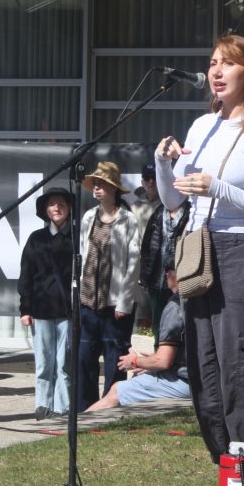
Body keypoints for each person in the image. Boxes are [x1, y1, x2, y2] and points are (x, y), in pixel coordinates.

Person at [155, 34, 244, 486]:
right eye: (213, 62)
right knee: (205, 371)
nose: (216, 71)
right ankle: (227, 482)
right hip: (199, 250)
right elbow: (174, 200)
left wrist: (219, 188)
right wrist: (163, 165)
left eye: (228, 64)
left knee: (241, 368)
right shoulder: (202, 125)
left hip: (243, 251)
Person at [83, 266, 191, 410]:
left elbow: (163, 361)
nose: (166, 275)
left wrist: (134, 361)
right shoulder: (196, 301)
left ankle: (81, 424)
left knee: (116, 391)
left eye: (168, 270)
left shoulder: (175, 307)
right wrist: (148, 362)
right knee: (138, 377)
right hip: (198, 378)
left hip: (183, 382)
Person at [78, 161, 140, 410]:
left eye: (102, 184)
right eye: (95, 184)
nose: (96, 188)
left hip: (115, 305)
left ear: (114, 188)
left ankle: (109, 410)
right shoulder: (88, 217)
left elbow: (133, 264)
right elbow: (83, 255)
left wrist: (124, 302)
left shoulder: (127, 220)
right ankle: (84, 410)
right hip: (87, 301)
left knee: (115, 360)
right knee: (84, 358)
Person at [18, 186, 73, 419]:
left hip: (68, 310)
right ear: (45, 210)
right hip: (41, 310)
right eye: (52, 204)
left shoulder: (76, 238)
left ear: (69, 208)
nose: (57, 208)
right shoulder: (36, 239)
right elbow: (26, 275)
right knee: (43, 362)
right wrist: (25, 308)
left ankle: (63, 406)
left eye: (61, 204)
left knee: (64, 362)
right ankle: (42, 404)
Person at [139, 197, 190, 343]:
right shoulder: (158, 213)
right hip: (157, 280)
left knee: (181, 324)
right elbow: (147, 247)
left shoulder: (190, 212)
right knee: (158, 326)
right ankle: (159, 353)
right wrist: (145, 275)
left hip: (180, 281)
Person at [131, 164, 161, 327]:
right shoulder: (134, 208)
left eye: (154, 178)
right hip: (140, 271)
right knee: (142, 322)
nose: (151, 182)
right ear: (142, 181)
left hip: (162, 271)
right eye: (147, 178)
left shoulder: (169, 204)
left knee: (161, 319)